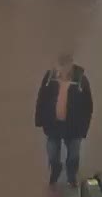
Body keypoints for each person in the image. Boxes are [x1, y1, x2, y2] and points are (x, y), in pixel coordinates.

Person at [34, 52, 94, 186]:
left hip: (74, 127)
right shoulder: (49, 78)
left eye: (65, 66)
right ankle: (55, 169)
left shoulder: (81, 81)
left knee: (73, 156)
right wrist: (40, 119)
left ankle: (71, 176)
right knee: (52, 155)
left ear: (71, 65)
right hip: (53, 125)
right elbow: (41, 98)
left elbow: (88, 106)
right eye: (59, 66)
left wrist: (83, 128)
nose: (61, 70)